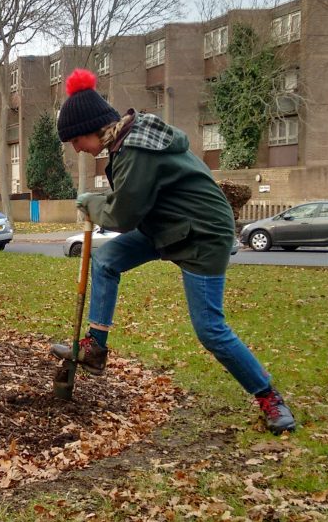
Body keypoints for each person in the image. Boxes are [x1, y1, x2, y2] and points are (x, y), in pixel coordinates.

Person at [51, 68, 296, 435]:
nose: (76, 149)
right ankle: (95, 348)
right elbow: (133, 202)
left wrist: (95, 203)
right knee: (106, 259)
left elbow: (122, 214)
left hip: (201, 234)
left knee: (210, 330)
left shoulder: (136, 150)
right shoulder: (126, 143)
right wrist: (102, 200)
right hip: (165, 227)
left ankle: (269, 397)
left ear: (93, 128)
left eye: (75, 140)